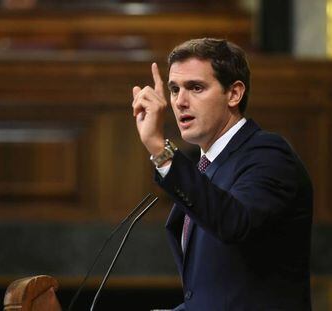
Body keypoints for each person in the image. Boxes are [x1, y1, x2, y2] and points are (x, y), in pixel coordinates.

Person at [132, 38, 313, 310]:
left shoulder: (268, 154)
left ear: (234, 94)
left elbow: (233, 222)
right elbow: (215, 295)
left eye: (195, 88)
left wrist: (160, 149)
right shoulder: (205, 167)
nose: (180, 101)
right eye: (174, 89)